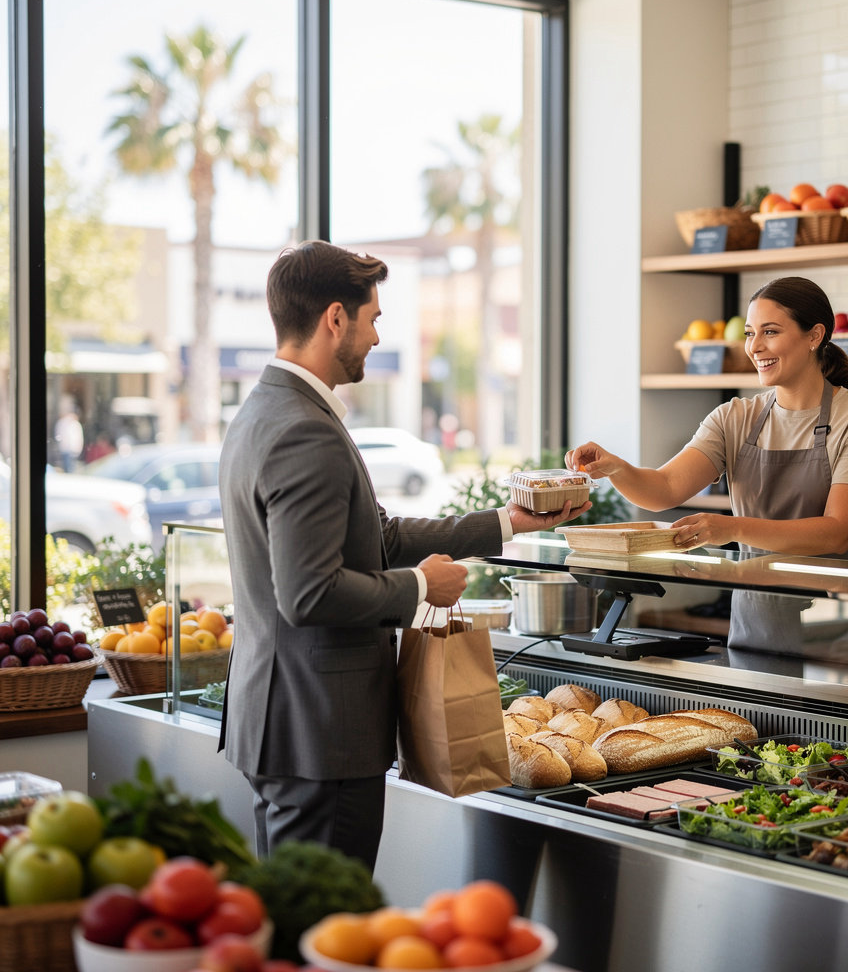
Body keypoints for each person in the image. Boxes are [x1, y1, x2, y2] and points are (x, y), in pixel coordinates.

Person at [217, 240, 590, 870]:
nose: (376, 337)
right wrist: (419, 588)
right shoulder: (305, 427)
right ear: (336, 318)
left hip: (290, 723)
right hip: (320, 733)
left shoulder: (266, 410)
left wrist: (509, 523)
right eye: (375, 319)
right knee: (326, 930)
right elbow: (309, 595)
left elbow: (379, 538)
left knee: (298, 922)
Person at [565, 276, 848, 653]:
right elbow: (665, 489)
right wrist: (615, 467)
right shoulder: (734, 418)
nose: (755, 347)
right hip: (759, 609)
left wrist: (730, 527)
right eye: (751, 333)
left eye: (770, 332)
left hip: (843, 617)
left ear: (814, 336)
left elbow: (836, 533)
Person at [54, 401, 84, 472]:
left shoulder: (74, 424)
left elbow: (77, 438)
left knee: (70, 467)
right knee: (68, 467)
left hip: (71, 448)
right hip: (67, 448)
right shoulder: (64, 423)